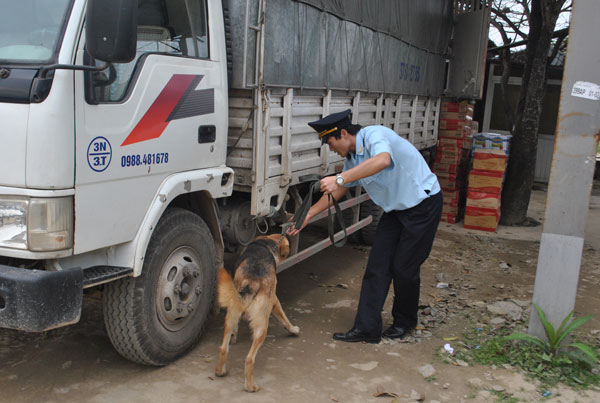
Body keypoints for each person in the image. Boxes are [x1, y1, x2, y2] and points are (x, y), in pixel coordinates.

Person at [288, 109, 443, 343]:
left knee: (404, 268)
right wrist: (308, 213)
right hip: (396, 210)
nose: (330, 149)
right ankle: (367, 329)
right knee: (377, 266)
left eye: (330, 142)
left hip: (423, 205)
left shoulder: (374, 135)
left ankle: (405, 321)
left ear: (343, 133)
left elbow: (382, 160)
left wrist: (340, 178)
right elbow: (338, 191)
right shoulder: (352, 159)